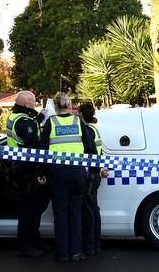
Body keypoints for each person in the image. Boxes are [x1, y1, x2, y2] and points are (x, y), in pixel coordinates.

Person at [39, 93, 97, 262]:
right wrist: (93, 168)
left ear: (55, 107)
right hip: (77, 173)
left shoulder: (50, 122)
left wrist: (41, 173)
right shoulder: (78, 122)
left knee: (61, 212)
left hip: (57, 174)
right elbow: (90, 146)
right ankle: (76, 252)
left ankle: (63, 253)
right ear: (70, 106)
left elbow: (42, 150)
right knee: (75, 212)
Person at [7, 90, 49, 258]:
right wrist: (40, 172)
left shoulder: (16, 116)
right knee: (28, 209)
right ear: (26, 104)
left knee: (34, 207)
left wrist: (38, 117)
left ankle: (34, 241)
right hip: (27, 169)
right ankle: (25, 246)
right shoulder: (25, 121)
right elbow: (35, 148)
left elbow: (28, 129)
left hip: (19, 166)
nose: (35, 104)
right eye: (33, 102)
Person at [78, 103, 108, 256]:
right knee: (94, 209)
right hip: (95, 173)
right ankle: (96, 244)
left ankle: (89, 246)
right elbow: (99, 151)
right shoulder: (94, 129)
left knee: (88, 210)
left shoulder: (86, 130)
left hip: (89, 174)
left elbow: (88, 151)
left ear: (81, 114)